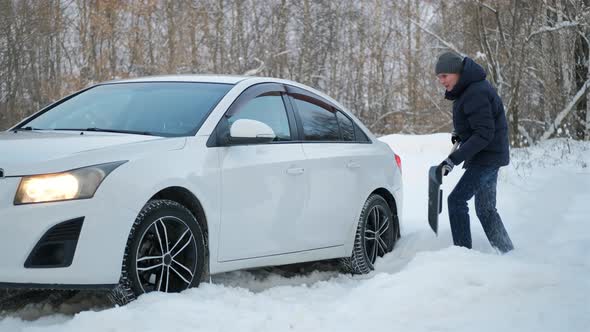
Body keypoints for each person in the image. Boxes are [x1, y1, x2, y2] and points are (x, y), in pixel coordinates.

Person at [435, 51, 514, 253]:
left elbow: (484, 133)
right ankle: (507, 252)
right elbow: (475, 124)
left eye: (444, 76)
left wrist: (454, 159)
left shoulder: (475, 92)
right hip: (489, 155)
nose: (441, 81)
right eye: (439, 77)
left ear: (456, 72)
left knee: (457, 201)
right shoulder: (468, 90)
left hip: (486, 156)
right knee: (486, 210)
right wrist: (459, 134)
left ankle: (464, 256)